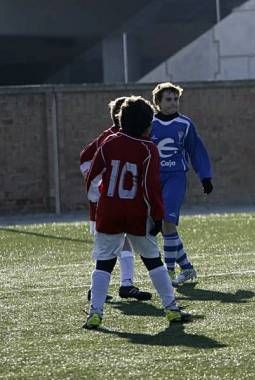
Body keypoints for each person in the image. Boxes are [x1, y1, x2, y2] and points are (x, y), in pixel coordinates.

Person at [84, 96, 190, 329]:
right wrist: (158, 216)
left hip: (109, 212)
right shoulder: (149, 149)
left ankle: (95, 313)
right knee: (153, 261)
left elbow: (92, 176)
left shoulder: (109, 143)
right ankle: (172, 309)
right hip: (137, 214)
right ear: (145, 125)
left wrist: (98, 200)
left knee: (103, 264)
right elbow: (151, 188)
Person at [79, 96, 151, 301]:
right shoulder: (110, 137)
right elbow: (85, 158)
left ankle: (125, 284)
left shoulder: (134, 138)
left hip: (123, 203)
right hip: (110, 204)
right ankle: (108, 288)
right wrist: (100, 186)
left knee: (121, 244)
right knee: (109, 248)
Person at [150, 82, 213, 286]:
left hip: (175, 177)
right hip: (152, 179)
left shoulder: (185, 124)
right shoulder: (149, 123)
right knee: (161, 227)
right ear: (157, 102)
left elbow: (196, 150)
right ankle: (186, 268)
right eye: (168, 99)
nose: (173, 103)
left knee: (168, 221)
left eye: (176, 99)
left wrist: (205, 176)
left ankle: (167, 275)